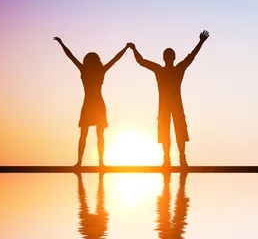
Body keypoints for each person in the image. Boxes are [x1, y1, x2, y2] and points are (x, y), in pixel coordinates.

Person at [128, 30, 210, 167]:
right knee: (169, 132)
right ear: (171, 57)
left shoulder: (168, 69)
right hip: (168, 107)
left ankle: (178, 159)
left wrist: (201, 42)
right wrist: (134, 49)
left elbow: (191, 56)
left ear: (167, 58)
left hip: (173, 106)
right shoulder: (169, 69)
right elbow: (141, 61)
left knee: (177, 132)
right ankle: (170, 159)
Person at [54, 37, 129, 167]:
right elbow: (115, 59)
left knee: (87, 135)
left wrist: (62, 43)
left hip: (92, 105)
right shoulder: (98, 70)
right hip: (95, 105)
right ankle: (94, 162)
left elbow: (71, 56)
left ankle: (86, 162)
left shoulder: (86, 70)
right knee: (96, 136)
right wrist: (126, 48)